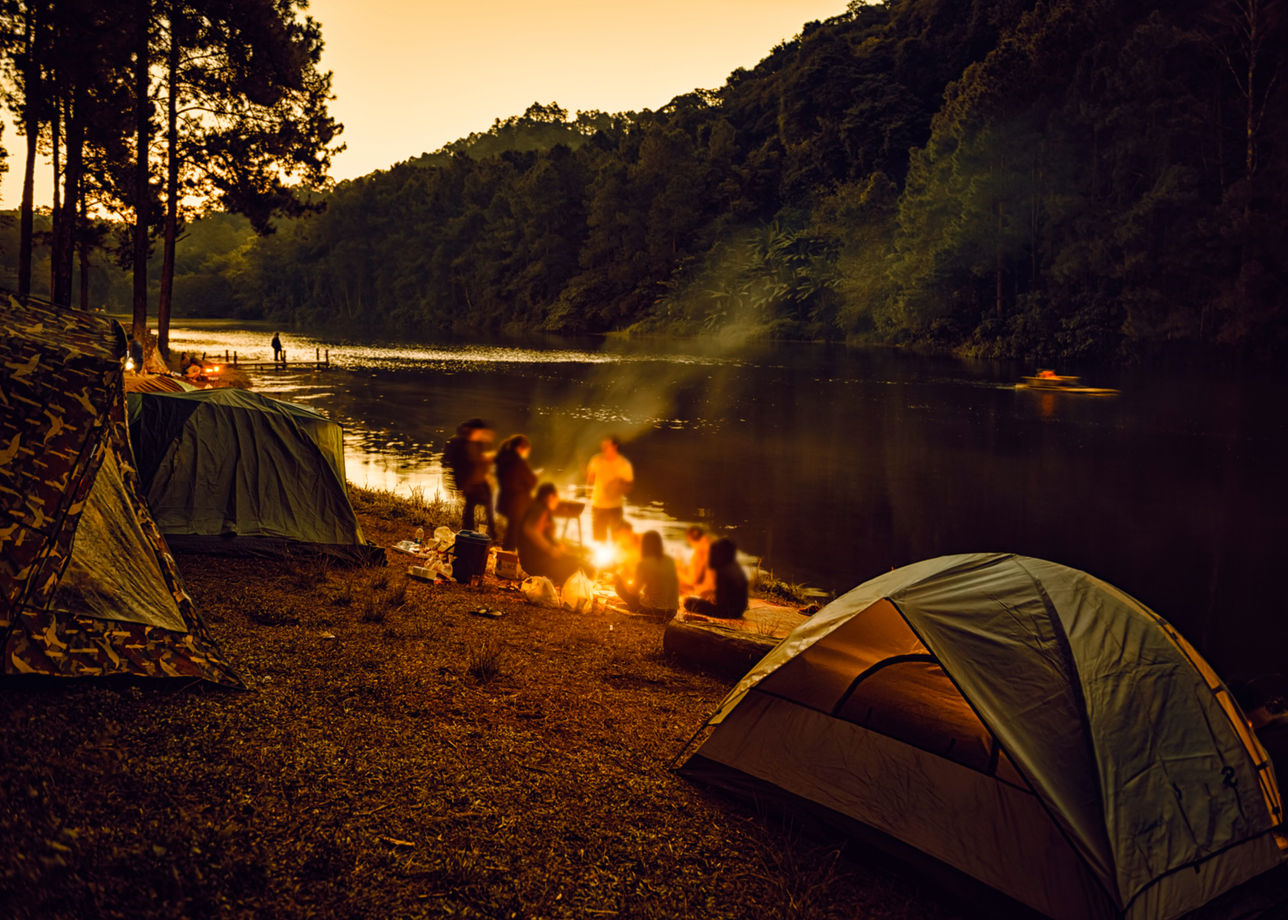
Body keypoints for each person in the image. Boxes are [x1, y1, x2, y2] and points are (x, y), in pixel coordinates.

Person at [518, 482, 582, 586]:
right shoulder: (540, 509)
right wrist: (551, 549)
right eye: (556, 497)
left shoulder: (537, 507)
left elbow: (544, 534)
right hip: (534, 561)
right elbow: (530, 530)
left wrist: (557, 546)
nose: (557, 501)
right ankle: (561, 587)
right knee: (573, 564)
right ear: (550, 497)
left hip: (530, 558)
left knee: (571, 558)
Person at [448, 419, 496, 538]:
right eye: (480, 431)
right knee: (470, 508)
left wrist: (488, 474)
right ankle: (468, 533)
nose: (482, 433)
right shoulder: (461, 444)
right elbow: (465, 463)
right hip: (470, 482)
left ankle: (491, 533)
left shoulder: (478, 442)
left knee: (487, 507)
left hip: (481, 480)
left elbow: (480, 460)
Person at [616, 530, 679, 617]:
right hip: (672, 611)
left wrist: (623, 577)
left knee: (619, 586)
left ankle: (635, 608)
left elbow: (634, 591)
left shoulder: (644, 563)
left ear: (644, 545)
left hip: (654, 610)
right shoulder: (669, 560)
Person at [683, 537, 748, 619]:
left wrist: (710, 599)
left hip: (726, 613)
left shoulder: (723, 571)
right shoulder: (735, 566)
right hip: (738, 611)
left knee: (687, 601)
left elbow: (721, 602)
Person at [586, 435, 634, 542]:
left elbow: (630, 485)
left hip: (615, 506)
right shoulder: (596, 460)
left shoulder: (624, 464)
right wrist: (588, 496)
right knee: (599, 538)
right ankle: (599, 557)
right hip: (598, 505)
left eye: (607, 446)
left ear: (615, 446)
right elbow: (590, 479)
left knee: (616, 538)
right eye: (603, 446)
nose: (604, 448)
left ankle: (616, 558)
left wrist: (619, 487)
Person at [495, 434, 538, 551]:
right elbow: (530, 481)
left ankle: (507, 555)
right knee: (513, 532)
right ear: (520, 448)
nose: (527, 453)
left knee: (511, 530)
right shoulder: (518, 462)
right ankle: (508, 557)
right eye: (527, 450)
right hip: (517, 502)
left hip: (506, 499)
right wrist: (534, 477)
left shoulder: (503, 458)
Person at [677, 525, 714, 598]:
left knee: (677, 584)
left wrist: (678, 571)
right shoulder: (713, 544)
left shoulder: (699, 552)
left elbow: (692, 580)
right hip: (724, 590)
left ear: (689, 539)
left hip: (709, 592)